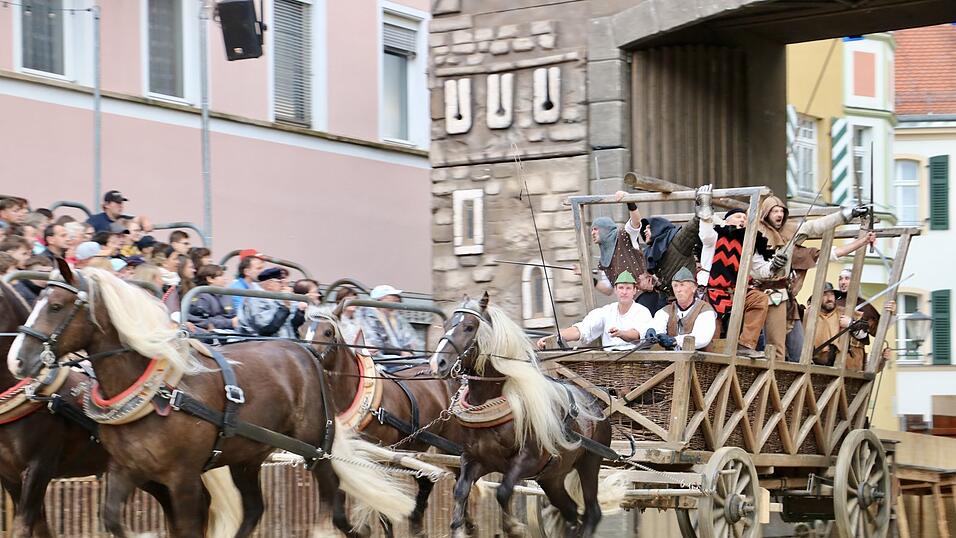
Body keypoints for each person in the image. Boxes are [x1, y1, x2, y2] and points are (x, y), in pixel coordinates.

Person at [754, 195, 868, 359]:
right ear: (766, 213)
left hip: (785, 299)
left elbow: (818, 227)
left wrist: (849, 214)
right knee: (773, 348)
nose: (779, 214)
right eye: (774, 211)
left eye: (781, 211)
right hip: (763, 296)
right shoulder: (754, 233)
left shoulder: (792, 242)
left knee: (799, 353)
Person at [537, 271, 653, 351]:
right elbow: (582, 329)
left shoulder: (642, 312)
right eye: (621, 288)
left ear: (634, 291)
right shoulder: (606, 311)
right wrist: (554, 337)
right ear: (616, 290)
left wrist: (621, 333)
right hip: (611, 364)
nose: (624, 292)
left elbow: (637, 335)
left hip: (636, 363)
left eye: (628, 288)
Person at [632, 185, 713, 295]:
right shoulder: (649, 253)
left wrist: (703, 204)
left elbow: (694, 225)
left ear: (658, 228)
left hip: (688, 296)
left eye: (649, 228)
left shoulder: (676, 240)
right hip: (667, 298)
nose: (645, 231)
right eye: (644, 229)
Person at [835, 268, 896, 369]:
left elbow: (877, 330)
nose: (842, 282)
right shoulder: (834, 303)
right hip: (833, 352)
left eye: (847, 279)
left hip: (854, 356)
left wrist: (892, 313)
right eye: (840, 279)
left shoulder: (865, 307)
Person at [589, 191, 648, 295]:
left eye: (595, 229)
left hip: (645, 295)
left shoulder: (624, 236)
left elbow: (636, 222)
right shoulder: (603, 260)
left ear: (605, 229)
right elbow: (608, 290)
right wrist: (587, 277)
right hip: (626, 302)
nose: (592, 233)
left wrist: (629, 200)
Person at [651, 268, 718, 351]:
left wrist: (675, 340)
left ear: (694, 288)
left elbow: (702, 337)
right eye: (675, 286)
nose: (678, 290)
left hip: (698, 361)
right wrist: (656, 334)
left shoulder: (705, 310)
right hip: (670, 361)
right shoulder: (665, 311)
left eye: (682, 285)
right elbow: (658, 328)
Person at [807, 282, 867, 366]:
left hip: (838, 365)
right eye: (824, 295)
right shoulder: (809, 315)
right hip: (812, 364)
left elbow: (863, 336)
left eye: (831, 294)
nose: (829, 298)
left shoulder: (845, 313)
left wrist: (851, 323)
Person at [357, 284, 423, 357]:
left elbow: (410, 338)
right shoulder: (369, 316)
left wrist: (409, 351)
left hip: (400, 357)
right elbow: (377, 343)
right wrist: (400, 352)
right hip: (382, 359)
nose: (396, 299)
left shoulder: (395, 317)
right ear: (382, 298)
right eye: (392, 296)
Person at [240, 267, 295, 338]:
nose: (284, 286)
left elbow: (293, 324)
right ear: (269, 284)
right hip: (258, 344)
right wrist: (285, 307)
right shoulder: (255, 298)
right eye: (280, 282)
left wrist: (300, 311)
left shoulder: (275, 296)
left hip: (282, 343)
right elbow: (266, 329)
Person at [188, 264, 240, 332]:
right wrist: (230, 323)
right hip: (213, 337)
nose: (225, 278)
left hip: (232, 332)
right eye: (221, 276)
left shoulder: (226, 295)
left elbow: (233, 315)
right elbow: (202, 321)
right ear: (210, 279)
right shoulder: (201, 297)